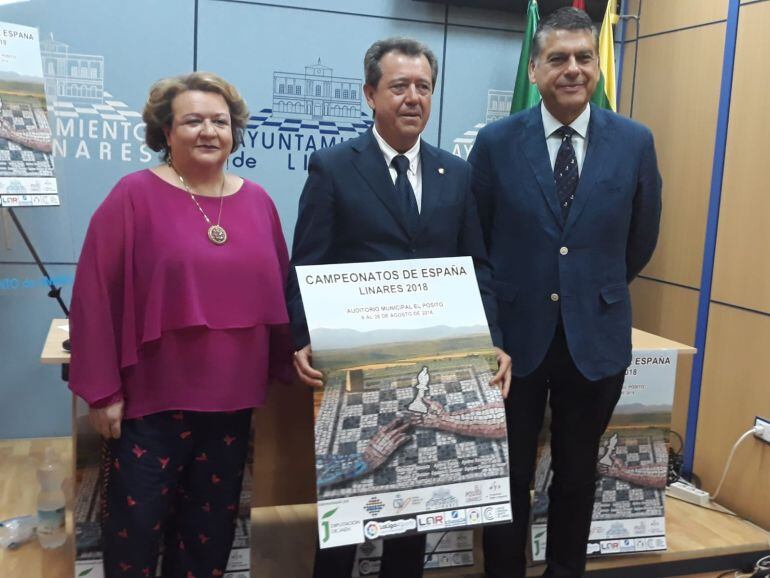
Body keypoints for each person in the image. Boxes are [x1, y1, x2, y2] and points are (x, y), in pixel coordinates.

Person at [286, 37, 512, 578]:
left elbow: (476, 265)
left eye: (423, 87)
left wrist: (492, 339)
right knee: (348, 514)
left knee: (414, 510)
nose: (413, 97)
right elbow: (306, 265)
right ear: (370, 94)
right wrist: (302, 336)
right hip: (355, 371)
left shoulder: (454, 174)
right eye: (399, 86)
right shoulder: (334, 167)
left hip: (430, 368)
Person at [68, 72, 294, 578]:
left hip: (232, 403)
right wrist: (101, 392)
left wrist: (289, 361)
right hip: (151, 403)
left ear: (235, 131)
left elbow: (282, 289)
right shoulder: (133, 195)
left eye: (220, 121)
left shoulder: (258, 200)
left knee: (208, 535)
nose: (209, 131)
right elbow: (93, 296)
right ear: (166, 133)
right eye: (192, 121)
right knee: (136, 532)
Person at [468, 8, 662, 578]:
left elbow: (641, 237)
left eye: (584, 57)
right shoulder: (497, 142)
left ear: (597, 66)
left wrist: (588, 290)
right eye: (558, 58)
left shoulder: (634, 142)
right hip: (514, 342)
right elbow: (476, 240)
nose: (572, 69)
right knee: (510, 474)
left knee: (579, 472)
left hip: (594, 336)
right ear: (535, 68)